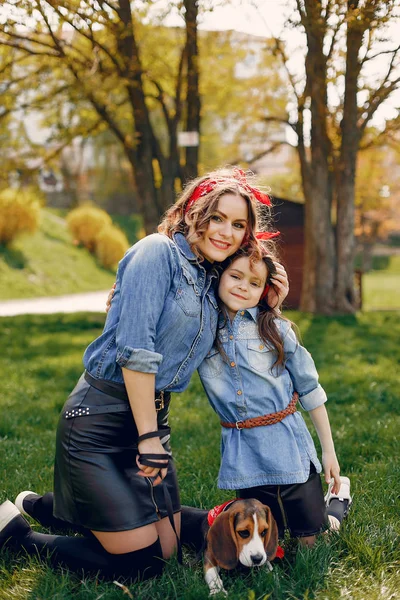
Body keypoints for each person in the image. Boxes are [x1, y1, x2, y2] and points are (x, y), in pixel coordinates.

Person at [0, 167, 289, 580]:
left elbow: (244, 308)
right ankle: (17, 535)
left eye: (238, 224)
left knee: (168, 551)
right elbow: (135, 354)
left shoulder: (211, 280)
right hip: (100, 423)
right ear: (193, 213)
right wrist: (149, 437)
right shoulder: (156, 252)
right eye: (217, 217)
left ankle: (48, 507)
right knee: (144, 562)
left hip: (152, 417)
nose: (226, 231)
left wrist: (274, 294)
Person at [191, 245, 352, 548]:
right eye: (235, 276)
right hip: (245, 456)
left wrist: (328, 451)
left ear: (265, 290)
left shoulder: (276, 330)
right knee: (262, 543)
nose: (243, 286)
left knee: (312, 541)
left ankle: (338, 502)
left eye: (254, 283)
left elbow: (311, 391)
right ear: (218, 276)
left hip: (291, 450)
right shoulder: (203, 332)